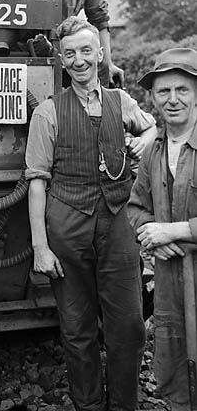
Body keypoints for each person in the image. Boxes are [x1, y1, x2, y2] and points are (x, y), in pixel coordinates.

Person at [26, 16, 157, 410]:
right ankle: (88, 405)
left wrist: (144, 140)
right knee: (77, 328)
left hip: (119, 222)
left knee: (130, 326)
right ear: (61, 61)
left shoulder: (122, 102)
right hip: (67, 226)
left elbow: (153, 130)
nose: (79, 60)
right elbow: (36, 182)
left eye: (86, 51)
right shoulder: (48, 112)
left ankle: (123, 405)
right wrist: (40, 248)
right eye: (70, 54)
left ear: (100, 54)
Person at [128, 48, 197, 411]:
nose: (173, 100)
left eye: (182, 90)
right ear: (152, 98)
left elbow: (167, 229)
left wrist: (174, 231)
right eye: (164, 91)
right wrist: (151, 232)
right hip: (172, 282)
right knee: (174, 368)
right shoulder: (153, 150)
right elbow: (136, 207)